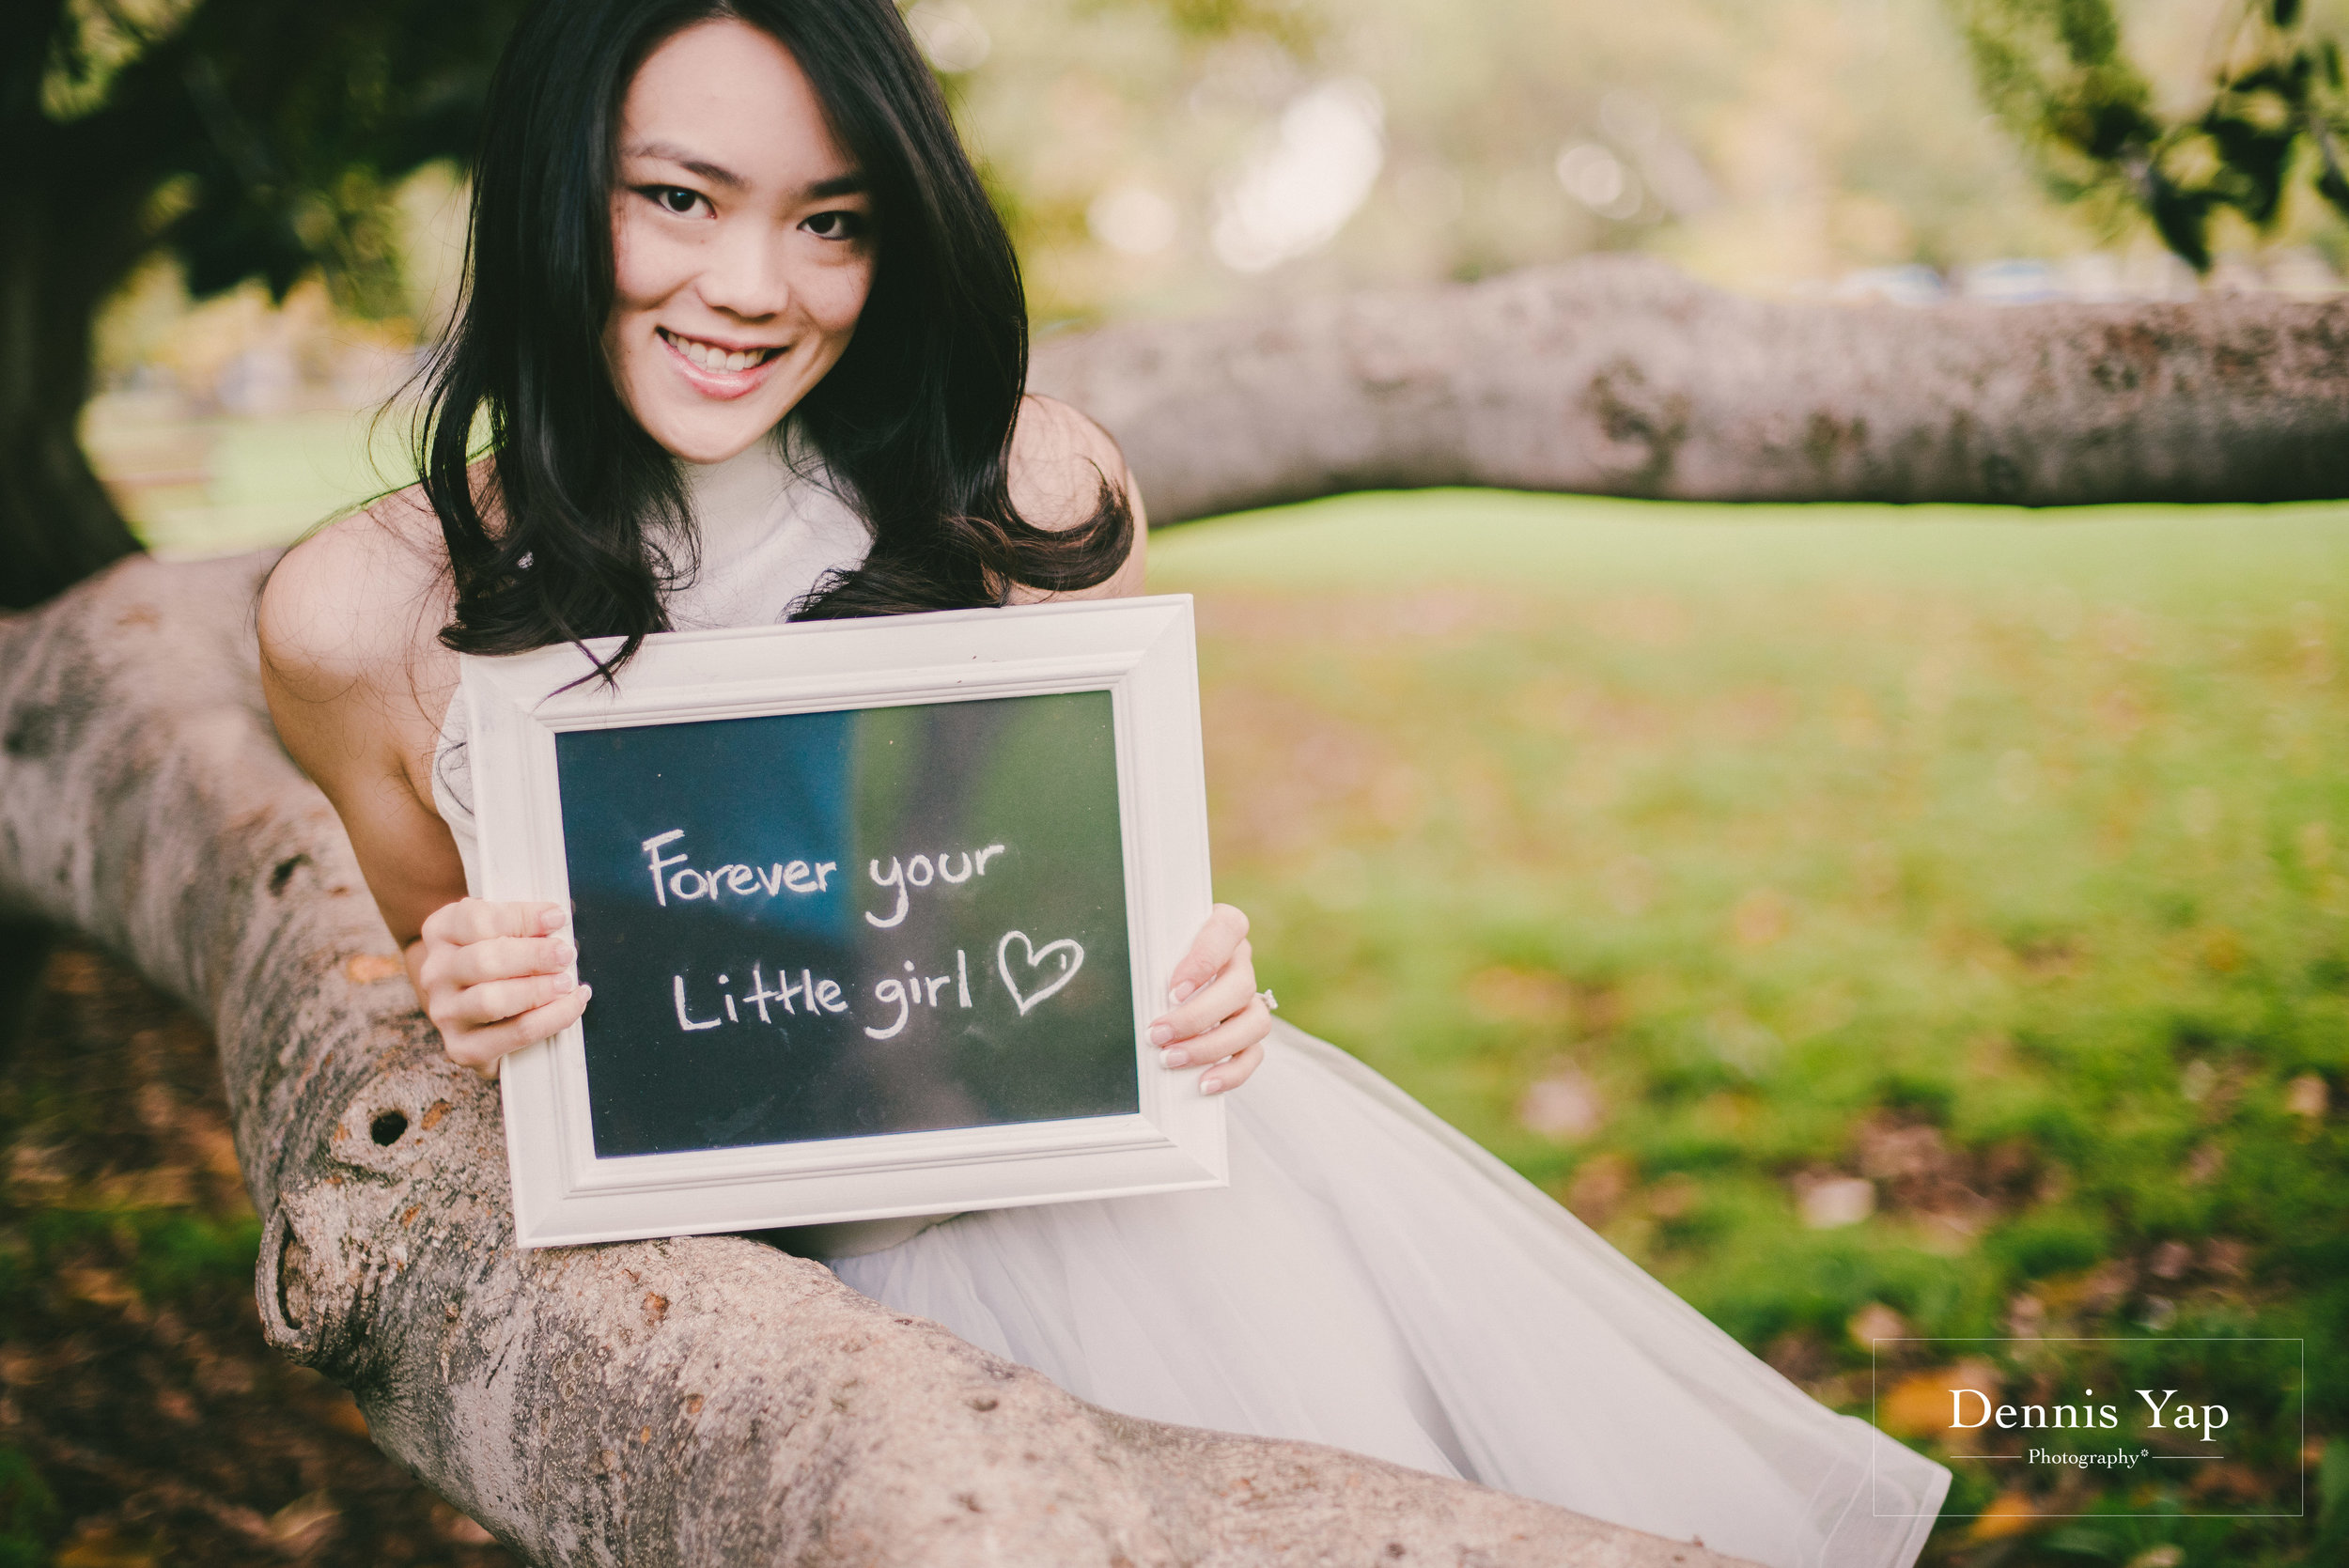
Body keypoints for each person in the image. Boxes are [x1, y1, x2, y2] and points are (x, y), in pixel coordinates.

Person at [257, 2, 1951, 1561]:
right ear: (554, 186)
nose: (758, 285)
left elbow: (1076, 911)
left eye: (830, 219)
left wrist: (1192, 979)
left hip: (1101, 1252)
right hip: (707, 1338)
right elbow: (468, 984)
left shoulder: (1027, 492)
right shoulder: (367, 623)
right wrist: (464, 988)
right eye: (681, 200)